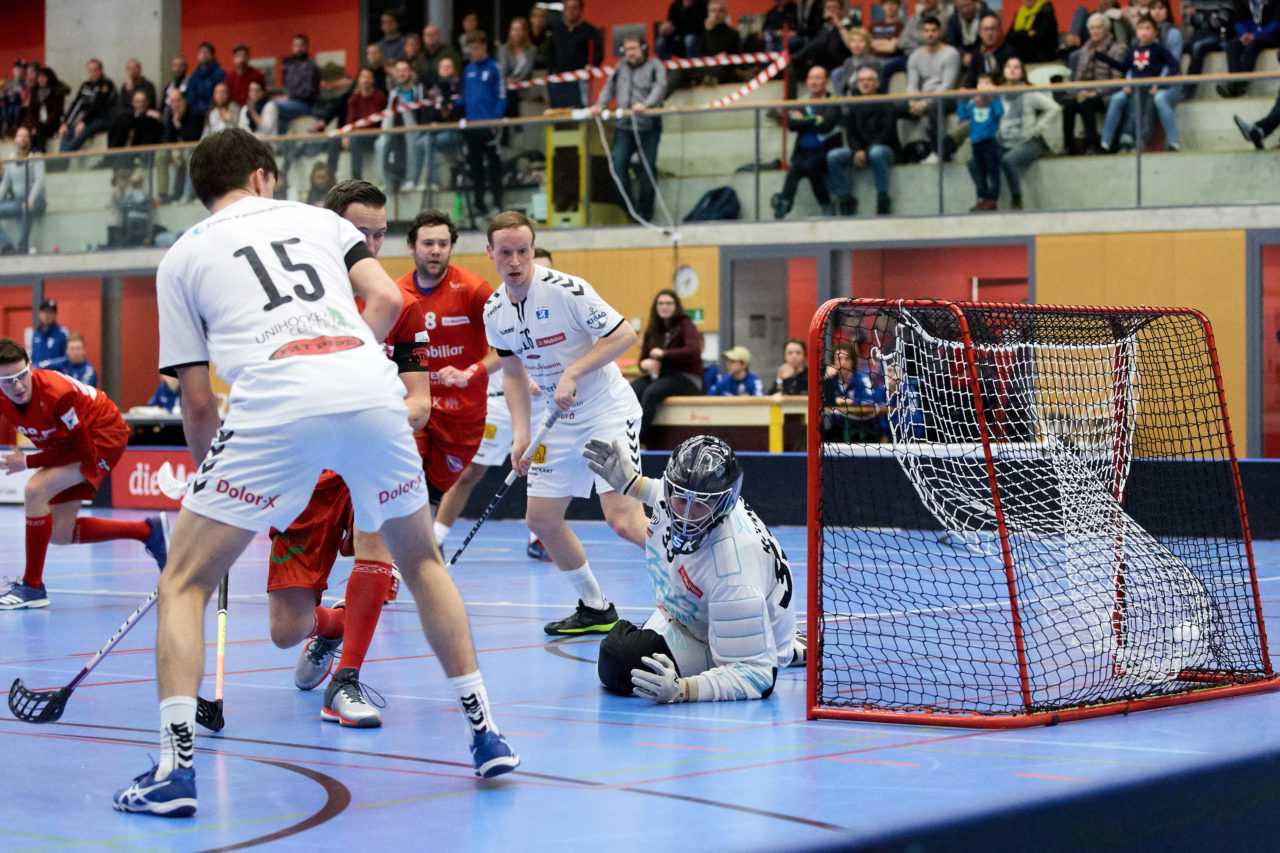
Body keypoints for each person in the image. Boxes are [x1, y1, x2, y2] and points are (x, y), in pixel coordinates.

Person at [112, 128, 518, 818]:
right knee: (422, 563)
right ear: (265, 176)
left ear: (204, 192)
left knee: (184, 580)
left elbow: (199, 400)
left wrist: (219, 475)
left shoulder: (181, 256)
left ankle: (174, 770)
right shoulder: (321, 221)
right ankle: (486, 731)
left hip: (274, 400)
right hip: (366, 386)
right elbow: (385, 304)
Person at [267, 180, 432, 729]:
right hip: (307, 463)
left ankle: (347, 681)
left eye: (380, 234)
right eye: (361, 232)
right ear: (332, 228)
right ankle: (333, 626)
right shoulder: (297, 299)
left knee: (375, 547)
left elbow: (421, 403)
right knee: (284, 629)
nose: (372, 244)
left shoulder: (402, 305)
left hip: (369, 451)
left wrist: (371, 418)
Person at [483, 211, 648, 635]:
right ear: (491, 254)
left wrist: (573, 372)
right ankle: (595, 607)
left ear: (532, 250)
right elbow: (514, 375)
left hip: (605, 410)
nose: (515, 260)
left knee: (624, 520)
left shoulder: (567, 290)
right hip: (557, 421)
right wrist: (521, 434)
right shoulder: (494, 310)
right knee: (540, 520)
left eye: (523, 251)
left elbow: (625, 334)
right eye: (506, 252)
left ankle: (704, 583)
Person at [582, 434, 804, 703]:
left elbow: (758, 676)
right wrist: (632, 484)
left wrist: (684, 689)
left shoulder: (733, 573)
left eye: (699, 504)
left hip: (719, 633)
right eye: (681, 499)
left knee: (619, 661)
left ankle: (786, 648)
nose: (686, 516)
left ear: (723, 503)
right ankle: (790, 647)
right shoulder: (699, 498)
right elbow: (667, 493)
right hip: (703, 620)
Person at [0, 337, 167, 610]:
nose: (17, 386)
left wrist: (28, 461)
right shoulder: (4, 393)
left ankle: (32, 587)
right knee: (60, 533)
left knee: (35, 490)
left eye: (21, 376)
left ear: (31, 367)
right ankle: (149, 531)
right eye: (7, 381)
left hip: (102, 436)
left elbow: (80, 450)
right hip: (66, 444)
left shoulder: (56, 394)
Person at [434, 246, 555, 561]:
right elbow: (500, 357)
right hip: (502, 404)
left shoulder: (564, 307)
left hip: (547, 407)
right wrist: (468, 375)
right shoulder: (500, 306)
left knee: (548, 472)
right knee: (472, 470)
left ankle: (540, 538)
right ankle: (436, 536)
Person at [399, 210, 498, 506]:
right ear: (412, 247)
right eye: (428, 243)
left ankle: (420, 550)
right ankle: (400, 552)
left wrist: (471, 372)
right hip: (415, 408)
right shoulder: (395, 294)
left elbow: (507, 350)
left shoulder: (475, 290)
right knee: (405, 483)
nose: (436, 250)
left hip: (463, 413)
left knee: (432, 494)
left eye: (443, 244)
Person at [591, 36, 668, 223]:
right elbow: (610, 87)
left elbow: (660, 87)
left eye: (633, 48)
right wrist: (600, 104)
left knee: (648, 168)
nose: (630, 53)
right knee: (618, 167)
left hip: (648, 127)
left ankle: (645, 213)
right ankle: (630, 211)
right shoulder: (621, 67)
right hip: (624, 127)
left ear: (643, 48)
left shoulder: (655, 65)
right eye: (626, 49)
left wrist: (646, 104)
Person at [826, 65, 908, 216]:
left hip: (885, 150)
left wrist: (866, 151)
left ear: (877, 83)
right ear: (857, 84)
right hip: (861, 151)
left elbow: (887, 133)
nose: (865, 83)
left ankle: (883, 198)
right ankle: (845, 198)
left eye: (870, 80)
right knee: (833, 156)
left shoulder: (887, 102)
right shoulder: (854, 105)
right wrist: (857, 150)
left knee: (876, 153)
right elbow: (850, 134)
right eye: (862, 80)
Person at [1097, 15, 1181, 152]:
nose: (1144, 32)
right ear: (1136, 32)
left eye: (1148, 28)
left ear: (1155, 32)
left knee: (1147, 110)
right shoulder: (1132, 50)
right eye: (1141, 28)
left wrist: (1160, 84)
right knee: (1123, 103)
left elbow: (1174, 66)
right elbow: (1124, 68)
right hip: (1135, 86)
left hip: (1151, 86)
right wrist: (1104, 57)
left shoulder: (1159, 49)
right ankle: (1106, 142)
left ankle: (1148, 139)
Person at [631, 289, 703, 445]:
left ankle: (636, 439)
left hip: (686, 377)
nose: (664, 307)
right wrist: (646, 364)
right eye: (661, 303)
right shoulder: (652, 329)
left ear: (676, 306)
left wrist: (665, 354)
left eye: (669, 303)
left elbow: (693, 351)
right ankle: (624, 433)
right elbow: (642, 359)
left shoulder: (686, 325)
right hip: (662, 376)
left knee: (651, 392)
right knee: (630, 391)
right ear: (656, 307)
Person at [772, 65, 842, 219]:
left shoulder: (833, 101)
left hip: (825, 150)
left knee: (810, 166)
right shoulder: (802, 101)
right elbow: (792, 124)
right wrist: (814, 119)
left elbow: (826, 125)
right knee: (795, 167)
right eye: (811, 78)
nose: (814, 82)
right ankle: (785, 202)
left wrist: (803, 120)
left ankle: (822, 204)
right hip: (803, 150)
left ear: (826, 81)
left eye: (818, 78)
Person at [996, 55, 1059, 209]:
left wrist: (1037, 128)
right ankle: (985, 200)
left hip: (1027, 141)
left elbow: (1054, 108)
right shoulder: (998, 93)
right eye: (1008, 66)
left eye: (1016, 67)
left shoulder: (1029, 92)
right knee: (974, 161)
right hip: (1004, 140)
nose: (1012, 70)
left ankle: (1017, 198)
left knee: (1008, 161)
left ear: (1022, 73)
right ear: (1003, 71)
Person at [1062, 12, 1127, 154]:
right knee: (1069, 106)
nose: (1095, 31)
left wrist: (1094, 92)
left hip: (1107, 93)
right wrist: (1080, 91)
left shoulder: (1117, 49)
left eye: (1098, 27)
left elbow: (1117, 80)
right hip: (1086, 91)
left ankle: (1091, 145)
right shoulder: (1085, 49)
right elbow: (1079, 76)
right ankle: (1068, 147)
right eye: (1092, 28)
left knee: (1086, 103)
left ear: (1106, 29)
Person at [460, 33, 507, 217]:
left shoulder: (496, 68)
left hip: (489, 125)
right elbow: (465, 97)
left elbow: (502, 95)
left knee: (494, 165)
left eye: (476, 48)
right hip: (472, 126)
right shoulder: (468, 70)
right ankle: (479, 204)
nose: (473, 52)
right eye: (471, 49)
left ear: (484, 47)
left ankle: (497, 201)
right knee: (475, 166)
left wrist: (496, 120)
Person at [906, 16, 961, 163]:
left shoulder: (951, 53)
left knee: (933, 107)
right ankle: (899, 153)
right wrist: (913, 101)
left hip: (945, 97)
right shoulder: (915, 56)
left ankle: (938, 153)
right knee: (893, 107)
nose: (930, 34)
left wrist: (924, 102)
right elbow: (912, 84)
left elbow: (947, 85)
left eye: (934, 31)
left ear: (940, 32)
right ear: (922, 33)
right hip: (923, 98)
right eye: (926, 31)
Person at [822, 340, 887, 441]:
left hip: (864, 428)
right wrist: (826, 379)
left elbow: (872, 401)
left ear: (853, 361)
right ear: (833, 361)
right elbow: (820, 401)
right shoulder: (831, 380)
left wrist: (851, 401)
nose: (842, 363)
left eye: (846, 359)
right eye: (838, 359)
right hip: (837, 429)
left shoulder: (861, 378)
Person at [958, 72, 1005, 211]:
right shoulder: (973, 105)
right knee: (979, 170)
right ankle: (981, 197)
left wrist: (993, 98)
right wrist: (962, 100)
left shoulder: (993, 104)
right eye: (981, 83)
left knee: (992, 170)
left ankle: (992, 198)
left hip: (989, 141)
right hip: (976, 142)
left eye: (987, 83)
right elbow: (962, 115)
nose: (983, 86)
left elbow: (999, 113)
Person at [547, 0, 605, 108]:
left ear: (581, 10)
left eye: (574, 8)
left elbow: (598, 55)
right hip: (560, 81)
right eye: (568, 8)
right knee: (559, 112)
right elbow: (551, 56)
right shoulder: (556, 32)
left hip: (581, 81)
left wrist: (591, 68)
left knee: (581, 111)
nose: (571, 11)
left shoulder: (590, 31)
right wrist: (552, 74)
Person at [1217, 0, 1280, 97]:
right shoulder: (1243, 2)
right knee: (1233, 45)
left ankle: (1238, 85)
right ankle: (1235, 80)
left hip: (1272, 35)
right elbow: (1238, 21)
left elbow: (1276, 24)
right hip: (1250, 35)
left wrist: (1255, 35)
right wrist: (1245, 34)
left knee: (1254, 44)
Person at [0, 126, 45, 254]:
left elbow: (39, 180)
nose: (23, 139)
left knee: (26, 209)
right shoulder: (12, 157)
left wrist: (31, 199)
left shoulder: (36, 155)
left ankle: (22, 248)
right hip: (17, 201)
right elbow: (5, 183)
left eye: (26, 136)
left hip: (37, 200)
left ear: (29, 140)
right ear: (15, 139)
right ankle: (6, 245)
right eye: (20, 136)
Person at [59, 58, 116, 152]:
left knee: (83, 131)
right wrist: (65, 122)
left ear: (101, 71)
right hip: (87, 118)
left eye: (95, 70)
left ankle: (62, 157)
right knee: (67, 130)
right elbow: (76, 104)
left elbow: (98, 106)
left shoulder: (106, 84)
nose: (93, 73)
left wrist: (84, 122)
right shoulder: (86, 85)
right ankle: (62, 163)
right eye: (90, 70)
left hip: (103, 118)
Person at [275, 34, 321, 126]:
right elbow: (286, 87)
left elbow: (307, 92)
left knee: (273, 107)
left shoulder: (311, 67)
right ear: (292, 47)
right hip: (291, 102)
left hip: (306, 105)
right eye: (296, 45)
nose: (298, 49)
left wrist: (289, 97)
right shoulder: (291, 67)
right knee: (269, 104)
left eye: (301, 45)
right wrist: (282, 97)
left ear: (306, 46)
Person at [963, 14, 1016, 89]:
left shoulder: (1009, 51)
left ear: (999, 30)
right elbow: (970, 82)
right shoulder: (976, 54)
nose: (989, 33)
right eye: (985, 29)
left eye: (993, 28)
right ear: (980, 33)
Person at [29, 299, 67, 368]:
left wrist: (46, 364)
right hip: (38, 375)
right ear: (40, 314)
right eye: (45, 312)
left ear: (55, 315)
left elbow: (68, 359)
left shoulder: (63, 333)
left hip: (54, 375)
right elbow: (33, 357)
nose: (47, 315)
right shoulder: (36, 334)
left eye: (50, 312)